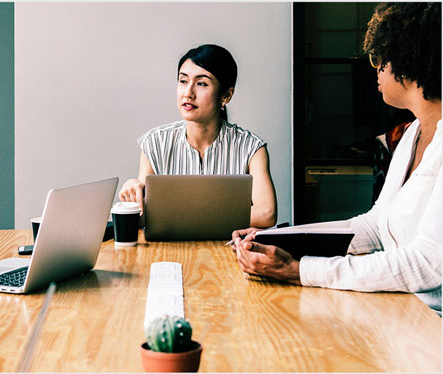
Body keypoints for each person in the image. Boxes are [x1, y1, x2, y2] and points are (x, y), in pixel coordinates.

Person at [232, 3, 442, 314]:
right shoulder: (412, 135)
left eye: (379, 57)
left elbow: (428, 264)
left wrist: (299, 270)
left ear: (408, 58)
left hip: (428, 327)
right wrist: (274, 237)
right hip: (398, 309)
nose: (376, 69)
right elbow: (372, 227)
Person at [119, 44, 277, 228]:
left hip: (228, 253)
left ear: (226, 95)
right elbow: (144, 217)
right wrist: (132, 190)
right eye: (183, 81)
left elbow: (267, 214)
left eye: (201, 83)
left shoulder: (251, 148)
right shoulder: (154, 143)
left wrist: (180, 214)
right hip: (169, 254)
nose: (188, 93)